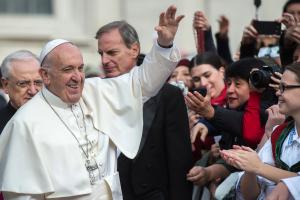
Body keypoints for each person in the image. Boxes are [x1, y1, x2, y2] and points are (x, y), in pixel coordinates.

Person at [0, 5, 183, 200]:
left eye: (80, 68)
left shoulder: (97, 91)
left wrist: (163, 45)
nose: (77, 77)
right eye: (67, 69)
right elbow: (22, 195)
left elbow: (143, 82)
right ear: (45, 75)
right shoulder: (24, 122)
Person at [95, 20, 193, 200]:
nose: (104, 61)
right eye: (101, 53)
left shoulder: (168, 96)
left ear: (134, 50)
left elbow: (179, 162)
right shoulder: (95, 93)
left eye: (112, 53)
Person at [221, 62, 300, 199]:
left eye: (284, 87)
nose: (277, 92)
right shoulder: (280, 133)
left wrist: (259, 167)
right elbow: (250, 195)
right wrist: (249, 168)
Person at [0, 50, 42, 134]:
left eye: (38, 83)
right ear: (5, 85)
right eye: (23, 84)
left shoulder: (59, 119)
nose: (33, 91)